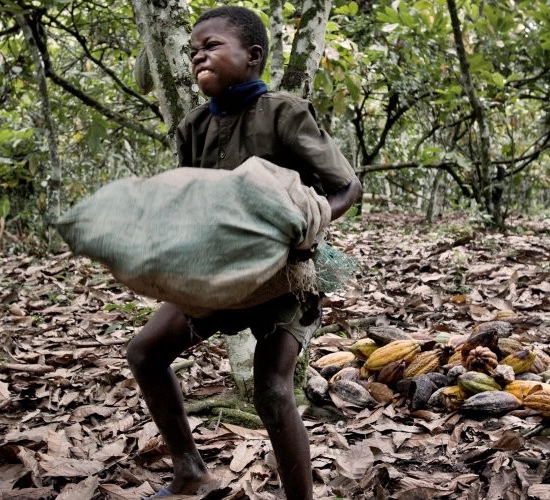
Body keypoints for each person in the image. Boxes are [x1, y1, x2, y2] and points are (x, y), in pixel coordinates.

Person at [126, 6, 361, 499]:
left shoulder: (283, 113)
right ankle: (190, 472)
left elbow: (347, 187)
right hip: (220, 275)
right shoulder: (193, 126)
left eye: (210, 46)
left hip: (283, 278)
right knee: (146, 351)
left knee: (272, 391)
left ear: (252, 57)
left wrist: (307, 222)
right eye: (192, 51)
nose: (198, 57)